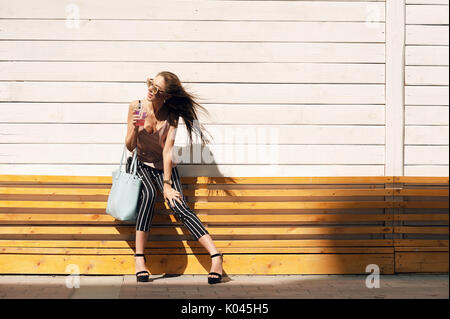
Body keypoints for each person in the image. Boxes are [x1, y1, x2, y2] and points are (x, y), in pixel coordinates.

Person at [124, 71, 223, 284]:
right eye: (150, 84)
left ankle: (216, 257)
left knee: (179, 205)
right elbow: (131, 146)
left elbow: (167, 151)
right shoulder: (139, 108)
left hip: (163, 167)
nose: (150, 90)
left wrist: (167, 184)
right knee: (149, 195)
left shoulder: (170, 116)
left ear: (166, 96)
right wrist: (133, 127)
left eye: (156, 89)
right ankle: (139, 259)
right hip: (140, 163)